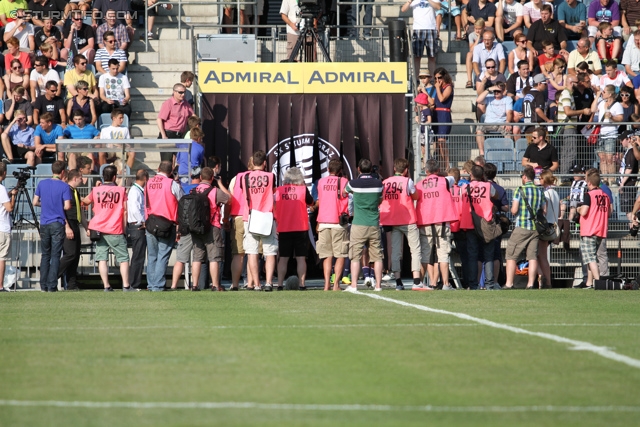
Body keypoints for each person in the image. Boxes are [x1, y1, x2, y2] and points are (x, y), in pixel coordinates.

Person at [83, 165, 131, 291]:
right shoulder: (121, 191)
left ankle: (106, 286)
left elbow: (85, 202)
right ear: (115, 177)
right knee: (123, 258)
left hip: (98, 229)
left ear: (103, 177)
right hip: (115, 228)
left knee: (102, 258)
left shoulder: (96, 190)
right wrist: (125, 229)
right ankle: (126, 285)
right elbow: (125, 211)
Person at [414, 159, 458, 290]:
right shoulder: (445, 181)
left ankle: (420, 283)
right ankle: (445, 284)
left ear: (426, 171)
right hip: (442, 221)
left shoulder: (420, 184)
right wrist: (440, 174)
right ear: (438, 170)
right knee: (443, 254)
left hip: (425, 221)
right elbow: (452, 177)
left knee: (425, 254)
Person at [379, 158, 421, 291]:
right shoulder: (407, 181)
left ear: (394, 169)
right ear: (406, 170)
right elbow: (415, 196)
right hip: (407, 219)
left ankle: (398, 282)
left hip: (392, 219)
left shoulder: (385, 182)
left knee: (395, 251)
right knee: (415, 249)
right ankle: (416, 281)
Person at [342, 158, 383, 292]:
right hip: (374, 223)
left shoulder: (353, 183)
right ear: (371, 169)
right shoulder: (378, 183)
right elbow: (380, 198)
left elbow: (343, 192)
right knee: (377, 256)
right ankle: (378, 286)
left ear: (358, 169)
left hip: (359, 223)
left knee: (355, 255)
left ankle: (354, 285)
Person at [240, 150, 278, 291]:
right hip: (267, 215)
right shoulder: (271, 176)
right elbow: (273, 192)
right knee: (270, 251)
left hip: (250, 216)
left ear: (252, 162)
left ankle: (256, 284)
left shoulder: (245, 177)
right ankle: (268, 283)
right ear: (264, 163)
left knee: (252, 251)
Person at [504, 166, 546, 289]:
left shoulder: (519, 190)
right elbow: (544, 210)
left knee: (511, 255)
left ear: (524, 177)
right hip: (535, 228)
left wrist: (514, 211)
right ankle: (530, 284)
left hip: (522, 226)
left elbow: (514, 210)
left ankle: (509, 283)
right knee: (532, 257)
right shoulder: (540, 191)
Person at [459, 165, 500, 290]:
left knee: (472, 255)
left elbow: (461, 198)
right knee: (488, 255)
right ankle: (489, 284)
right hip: (486, 223)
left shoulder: (465, 187)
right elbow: (496, 196)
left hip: (471, 224)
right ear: (483, 175)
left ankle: (473, 284)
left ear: (471, 175)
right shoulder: (488, 186)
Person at [33, 160, 72, 292]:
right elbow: (67, 206)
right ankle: (52, 285)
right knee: (55, 255)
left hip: (44, 223)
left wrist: (46, 204)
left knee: (45, 255)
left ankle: (43, 285)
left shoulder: (42, 183)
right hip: (57, 222)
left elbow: (35, 202)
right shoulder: (64, 186)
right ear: (63, 172)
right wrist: (58, 206)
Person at [191, 166, 231, 292]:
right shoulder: (215, 191)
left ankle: (194, 285)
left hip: (196, 227)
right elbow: (229, 199)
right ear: (212, 178)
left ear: (201, 177)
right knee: (214, 257)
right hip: (212, 226)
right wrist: (219, 184)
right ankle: (215, 285)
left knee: (197, 258)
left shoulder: (194, 191)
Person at [146, 161, 183, 292]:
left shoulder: (148, 182)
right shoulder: (172, 184)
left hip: (151, 222)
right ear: (171, 172)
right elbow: (181, 200)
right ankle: (158, 285)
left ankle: (151, 284)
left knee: (152, 256)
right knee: (163, 255)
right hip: (167, 223)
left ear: (158, 168)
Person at [274, 167, 313, 291]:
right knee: (301, 258)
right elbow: (311, 202)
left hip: (284, 227)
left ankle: (280, 284)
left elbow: (274, 205)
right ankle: (302, 284)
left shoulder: (279, 190)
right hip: (300, 227)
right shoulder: (303, 190)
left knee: (283, 258)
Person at [315, 159, 350, 292]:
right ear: (340, 171)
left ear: (328, 169)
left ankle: (326, 285)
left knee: (327, 255)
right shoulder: (344, 181)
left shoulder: (321, 182)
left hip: (323, 221)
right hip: (338, 222)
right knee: (340, 254)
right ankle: (336, 285)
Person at [576, 170, 610, 288]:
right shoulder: (605, 196)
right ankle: (589, 283)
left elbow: (584, 211)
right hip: (601, 229)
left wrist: (578, 209)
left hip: (589, 230)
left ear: (589, 183)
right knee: (592, 257)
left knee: (590, 258)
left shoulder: (589, 195)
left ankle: (599, 282)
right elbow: (609, 212)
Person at [227, 157, 254, 291]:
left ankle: (235, 284)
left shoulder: (236, 178)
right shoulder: (262, 178)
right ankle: (250, 283)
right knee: (252, 252)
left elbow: (230, 198)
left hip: (238, 216)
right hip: (254, 216)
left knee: (238, 253)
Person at [57, 168, 85, 291]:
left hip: (76, 224)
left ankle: (72, 284)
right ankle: (53, 276)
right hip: (68, 224)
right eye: (80, 177)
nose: (82, 180)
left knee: (75, 255)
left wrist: (86, 226)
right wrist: (67, 226)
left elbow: (81, 212)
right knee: (70, 254)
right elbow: (62, 210)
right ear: (75, 178)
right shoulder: (66, 190)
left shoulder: (75, 192)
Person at [557, 75, 592, 175]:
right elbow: (567, 112)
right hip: (569, 126)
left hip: (569, 126)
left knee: (566, 152)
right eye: (576, 82)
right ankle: (565, 176)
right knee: (571, 153)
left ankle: (564, 176)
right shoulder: (567, 94)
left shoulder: (569, 94)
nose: (578, 84)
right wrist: (583, 111)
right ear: (572, 83)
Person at [591, 84, 624, 180]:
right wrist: (597, 95)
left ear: (610, 94)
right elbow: (593, 109)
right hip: (601, 134)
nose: (602, 93)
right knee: (602, 158)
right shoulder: (601, 103)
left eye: (604, 92)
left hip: (611, 135)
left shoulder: (617, 105)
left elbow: (621, 118)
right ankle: (605, 179)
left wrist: (612, 117)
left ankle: (612, 179)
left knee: (610, 158)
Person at [401, 0, 441, 78]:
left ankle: (432, 80)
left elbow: (438, 7)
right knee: (417, 57)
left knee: (432, 57)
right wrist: (409, 1)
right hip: (418, 29)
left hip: (431, 28)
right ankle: (416, 80)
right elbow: (403, 9)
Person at [156, 83, 194, 161]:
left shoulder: (186, 103)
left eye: (184, 92)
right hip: (168, 134)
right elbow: (159, 119)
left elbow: (193, 116)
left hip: (180, 136)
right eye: (180, 92)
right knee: (167, 162)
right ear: (174, 92)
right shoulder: (168, 103)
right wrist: (163, 135)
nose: (183, 94)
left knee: (183, 159)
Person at [476, 82, 513, 156]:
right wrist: (488, 89)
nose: (496, 92)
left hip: (501, 123)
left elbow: (509, 112)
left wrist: (508, 122)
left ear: (503, 90)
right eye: (495, 91)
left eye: (498, 91)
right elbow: (478, 100)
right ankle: (482, 153)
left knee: (508, 131)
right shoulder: (489, 97)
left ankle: (506, 154)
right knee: (479, 129)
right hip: (488, 123)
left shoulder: (507, 99)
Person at [536, 170, 559, 289]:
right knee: (541, 255)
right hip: (552, 225)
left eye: (540, 178)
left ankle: (545, 280)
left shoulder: (545, 193)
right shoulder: (555, 193)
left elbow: (545, 211)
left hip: (545, 226)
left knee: (540, 255)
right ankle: (545, 280)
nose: (539, 180)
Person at [127, 169, 148, 290]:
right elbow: (135, 209)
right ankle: (133, 284)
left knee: (138, 255)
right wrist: (142, 222)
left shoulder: (136, 190)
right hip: (137, 226)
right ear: (145, 178)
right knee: (138, 256)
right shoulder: (135, 191)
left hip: (137, 225)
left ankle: (134, 283)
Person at [0, 163, 17, 292]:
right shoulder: (1, 189)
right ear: (4, 173)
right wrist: (13, 196)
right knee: (1, 258)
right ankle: (0, 285)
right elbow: (9, 208)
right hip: (3, 228)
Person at [617, 132, 639, 225]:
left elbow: (629, 169)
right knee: (628, 209)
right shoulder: (628, 152)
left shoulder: (631, 151)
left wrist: (622, 183)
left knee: (628, 209)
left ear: (628, 139)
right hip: (627, 183)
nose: (621, 142)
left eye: (622, 140)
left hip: (628, 184)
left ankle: (632, 229)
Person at [433, 67, 453, 169]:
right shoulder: (438, 88)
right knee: (436, 142)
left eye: (439, 78)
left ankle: (447, 165)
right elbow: (433, 102)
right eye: (435, 78)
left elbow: (442, 98)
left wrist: (437, 88)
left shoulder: (448, 87)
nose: (437, 81)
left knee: (442, 141)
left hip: (444, 115)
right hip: (436, 115)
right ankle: (440, 165)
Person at [465, 18, 485, 89]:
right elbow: (471, 49)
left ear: (483, 28)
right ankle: (469, 80)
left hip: (486, 53)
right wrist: (478, 38)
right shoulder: (471, 35)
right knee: (469, 54)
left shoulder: (487, 34)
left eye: (479, 29)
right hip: (475, 53)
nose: (477, 30)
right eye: (475, 28)